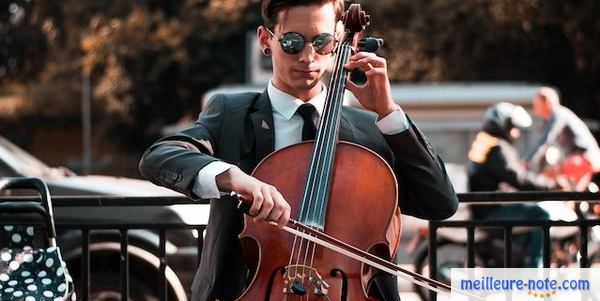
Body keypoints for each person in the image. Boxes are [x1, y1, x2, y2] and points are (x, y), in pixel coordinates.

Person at [139, 0, 458, 300]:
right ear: (266, 39)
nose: (308, 57)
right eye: (292, 42)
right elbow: (159, 157)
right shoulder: (230, 113)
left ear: (337, 41)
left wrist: (388, 113)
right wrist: (235, 178)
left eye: (321, 43)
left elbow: (440, 202)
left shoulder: (369, 131)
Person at [467, 102, 558, 267]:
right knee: (541, 215)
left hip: (485, 208)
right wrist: (551, 185)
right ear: (503, 125)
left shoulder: (486, 143)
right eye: (513, 127)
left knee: (529, 220)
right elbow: (518, 178)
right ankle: (535, 268)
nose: (515, 133)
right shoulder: (496, 149)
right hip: (491, 211)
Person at [525, 86, 600, 178]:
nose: (534, 108)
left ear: (547, 102)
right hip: (588, 157)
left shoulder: (557, 114)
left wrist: (527, 160)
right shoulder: (558, 115)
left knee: (548, 175)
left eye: (536, 104)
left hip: (585, 158)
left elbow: (545, 139)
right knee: (573, 189)